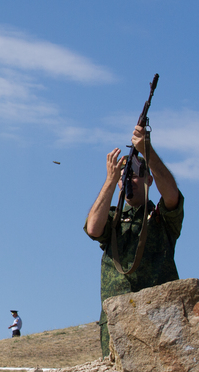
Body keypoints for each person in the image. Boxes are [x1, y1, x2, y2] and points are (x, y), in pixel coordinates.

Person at [84, 124, 183, 357]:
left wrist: (147, 150)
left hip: (160, 318)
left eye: (135, 176)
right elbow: (93, 228)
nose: (129, 181)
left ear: (148, 179)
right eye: (125, 177)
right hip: (117, 323)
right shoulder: (114, 220)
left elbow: (171, 195)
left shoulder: (160, 219)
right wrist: (111, 180)